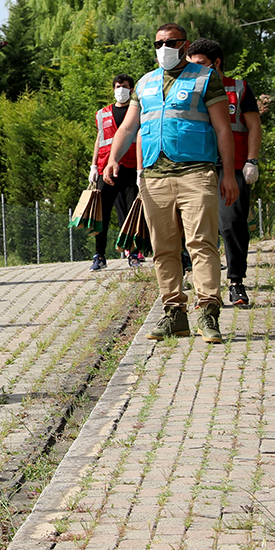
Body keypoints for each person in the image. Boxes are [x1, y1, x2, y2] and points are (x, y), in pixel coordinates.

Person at [103, 24, 239, 343]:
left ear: (184, 44)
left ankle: (208, 312)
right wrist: (112, 158)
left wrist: (229, 174)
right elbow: (128, 128)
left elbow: (223, 129)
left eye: (171, 42)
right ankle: (174, 314)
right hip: (154, 178)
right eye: (159, 43)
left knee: (201, 244)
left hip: (196, 173)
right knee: (164, 249)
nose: (164, 47)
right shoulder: (145, 83)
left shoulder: (205, 78)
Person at [187, 39, 261, 306]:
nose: (195, 70)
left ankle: (236, 282)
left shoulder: (239, 89)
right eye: (191, 65)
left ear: (216, 63)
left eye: (201, 64)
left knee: (231, 224)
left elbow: (253, 126)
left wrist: (252, 161)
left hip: (235, 166)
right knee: (197, 228)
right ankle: (202, 286)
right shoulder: (191, 89)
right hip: (199, 166)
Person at [90, 74, 141, 271]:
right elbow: (99, 139)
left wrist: (140, 170)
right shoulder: (102, 113)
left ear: (132, 89)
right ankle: (99, 255)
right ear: (113, 89)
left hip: (129, 167)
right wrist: (94, 166)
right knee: (101, 214)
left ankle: (134, 254)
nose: (122, 90)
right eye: (119, 86)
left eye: (126, 86)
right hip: (106, 170)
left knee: (132, 214)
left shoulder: (137, 111)